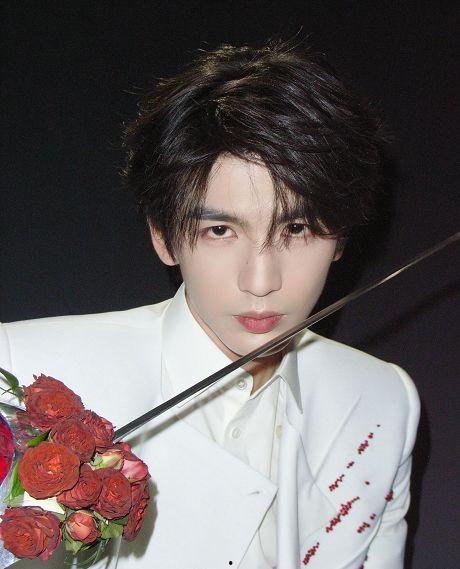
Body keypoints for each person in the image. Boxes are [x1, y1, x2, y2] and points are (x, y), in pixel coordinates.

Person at [0, 40, 420, 568]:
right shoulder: (20, 370)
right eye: (220, 230)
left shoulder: (383, 400)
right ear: (163, 235)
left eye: (297, 228)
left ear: (341, 237)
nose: (261, 281)